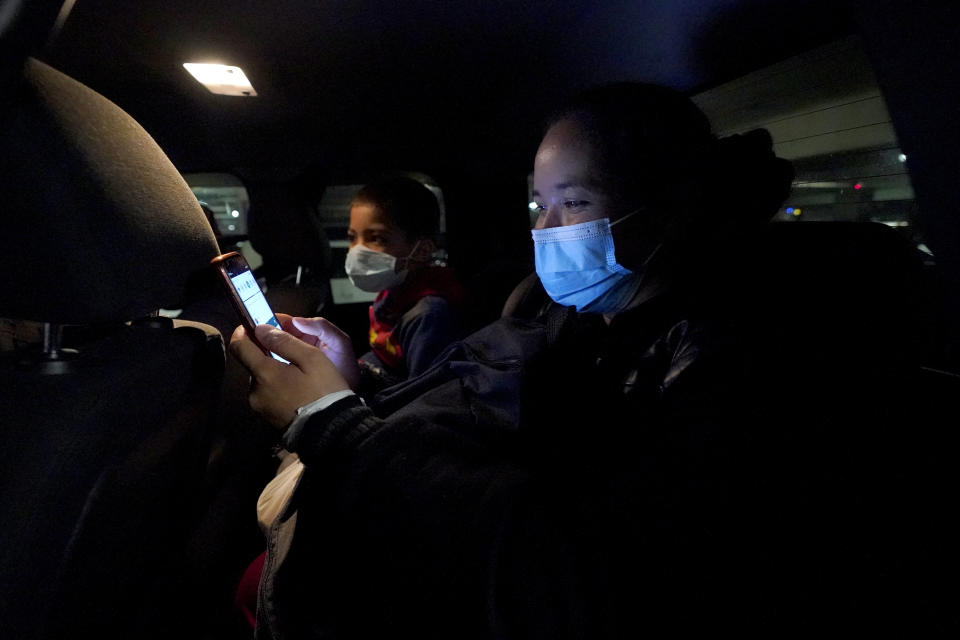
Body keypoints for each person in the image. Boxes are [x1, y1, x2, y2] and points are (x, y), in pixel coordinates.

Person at [229, 83, 794, 638]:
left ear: (670, 207)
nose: (544, 229)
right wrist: (360, 383)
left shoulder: (727, 366)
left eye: (573, 202)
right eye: (540, 204)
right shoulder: (562, 312)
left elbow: (574, 575)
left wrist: (335, 425)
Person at [344, 175, 466, 393]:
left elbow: (422, 395)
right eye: (352, 237)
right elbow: (383, 357)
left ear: (421, 251)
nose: (356, 251)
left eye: (376, 238)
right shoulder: (392, 293)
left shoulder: (429, 315)